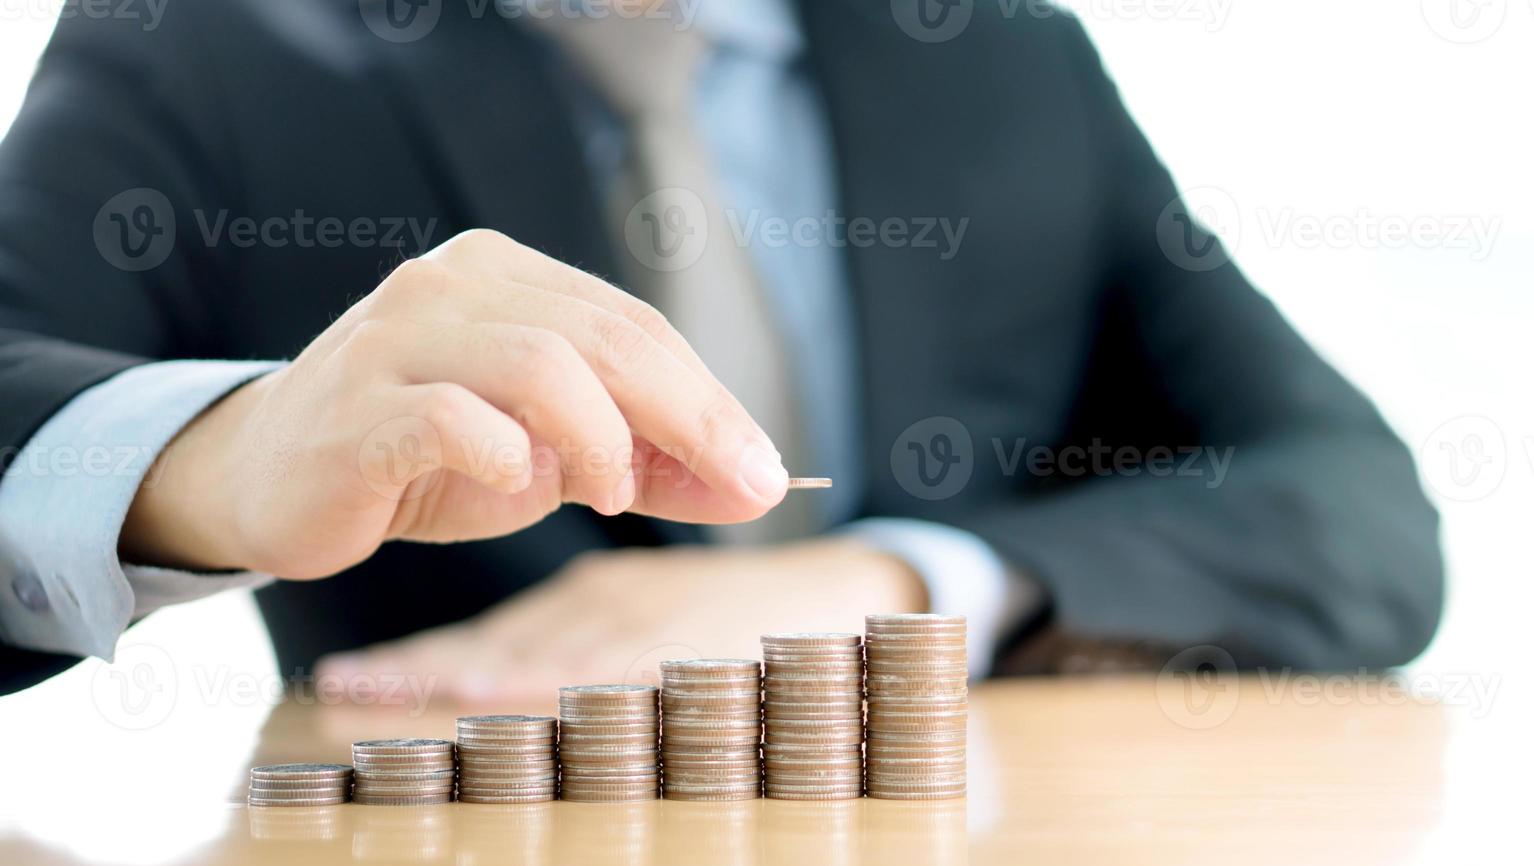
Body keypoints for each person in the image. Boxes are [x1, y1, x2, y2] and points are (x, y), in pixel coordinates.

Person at [0, 0, 1442, 699]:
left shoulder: (1000, 55)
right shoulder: (201, 45)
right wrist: (219, 457)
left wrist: (895, 586)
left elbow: (1353, 504)